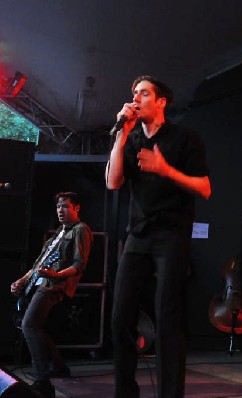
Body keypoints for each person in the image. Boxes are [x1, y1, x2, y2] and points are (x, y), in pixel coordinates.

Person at [105, 75, 211, 397]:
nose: (136, 98)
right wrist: (121, 136)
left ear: (161, 101)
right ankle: (125, 392)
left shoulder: (184, 138)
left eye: (144, 93)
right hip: (138, 234)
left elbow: (205, 188)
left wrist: (166, 170)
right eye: (134, 93)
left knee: (167, 318)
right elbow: (112, 182)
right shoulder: (132, 138)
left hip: (171, 234)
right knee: (120, 316)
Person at [10, 192, 94, 398]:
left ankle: (42, 380)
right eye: (58, 207)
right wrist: (22, 280)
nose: (60, 210)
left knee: (29, 325)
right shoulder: (57, 233)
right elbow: (38, 264)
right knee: (33, 326)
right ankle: (58, 366)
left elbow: (79, 264)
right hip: (39, 283)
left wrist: (57, 274)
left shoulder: (80, 230)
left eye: (65, 206)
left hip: (53, 286)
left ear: (76, 208)